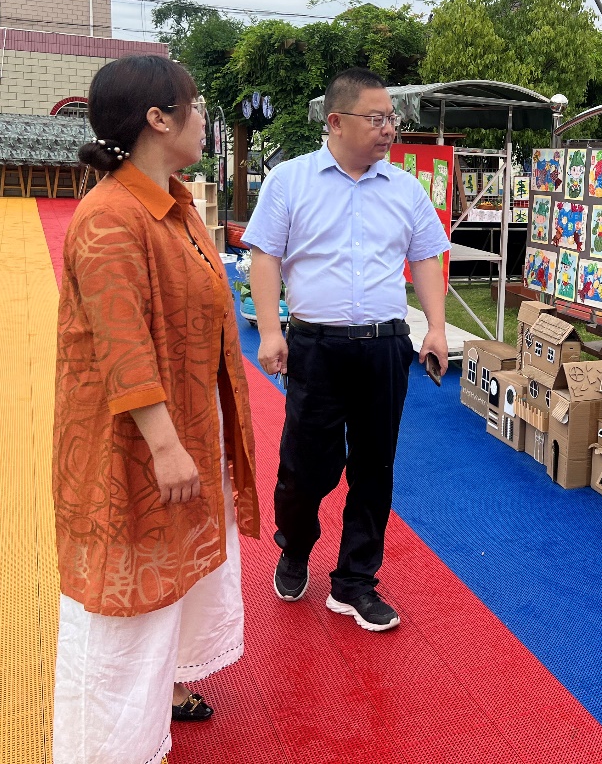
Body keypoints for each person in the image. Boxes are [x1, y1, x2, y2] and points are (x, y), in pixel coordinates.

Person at [51, 55, 260, 764]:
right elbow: (122, 343)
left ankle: (167, 692)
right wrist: (167, 445)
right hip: (133, 444)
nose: (204, 118)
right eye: (195, 105)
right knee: (125, 597)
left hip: (184, 426)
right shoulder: (110, 215)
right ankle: (106, 747)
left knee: (176, 572)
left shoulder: (171, 200)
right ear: (158, 120)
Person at [243, 67, 449, 632]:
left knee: (374, 468)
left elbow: (426, 257)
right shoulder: (291, 181)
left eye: (392, 119)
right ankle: (296, 546)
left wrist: (436, 326)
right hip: (316, 346)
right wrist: (269, 332)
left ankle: (355, 581)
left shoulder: (405, 188)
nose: (389, 130)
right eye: (377, 119)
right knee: (305, 467)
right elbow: (265, 257)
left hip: (384, 346)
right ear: (336, 122)